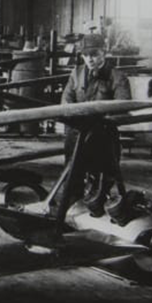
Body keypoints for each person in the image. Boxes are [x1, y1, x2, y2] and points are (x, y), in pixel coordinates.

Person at [58, 33, 132, 218]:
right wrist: (73, 114)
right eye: (86, 54)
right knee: (72, 175)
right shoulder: (75, 74)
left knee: (103, 178)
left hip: (103, 136)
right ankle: (70, 211)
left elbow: (123, 106)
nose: (90, 58)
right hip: (76, 134)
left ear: (104, 53)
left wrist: (101, 117)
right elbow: (65, 101)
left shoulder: (118, 76)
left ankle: (99, 206)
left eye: (95, 53)